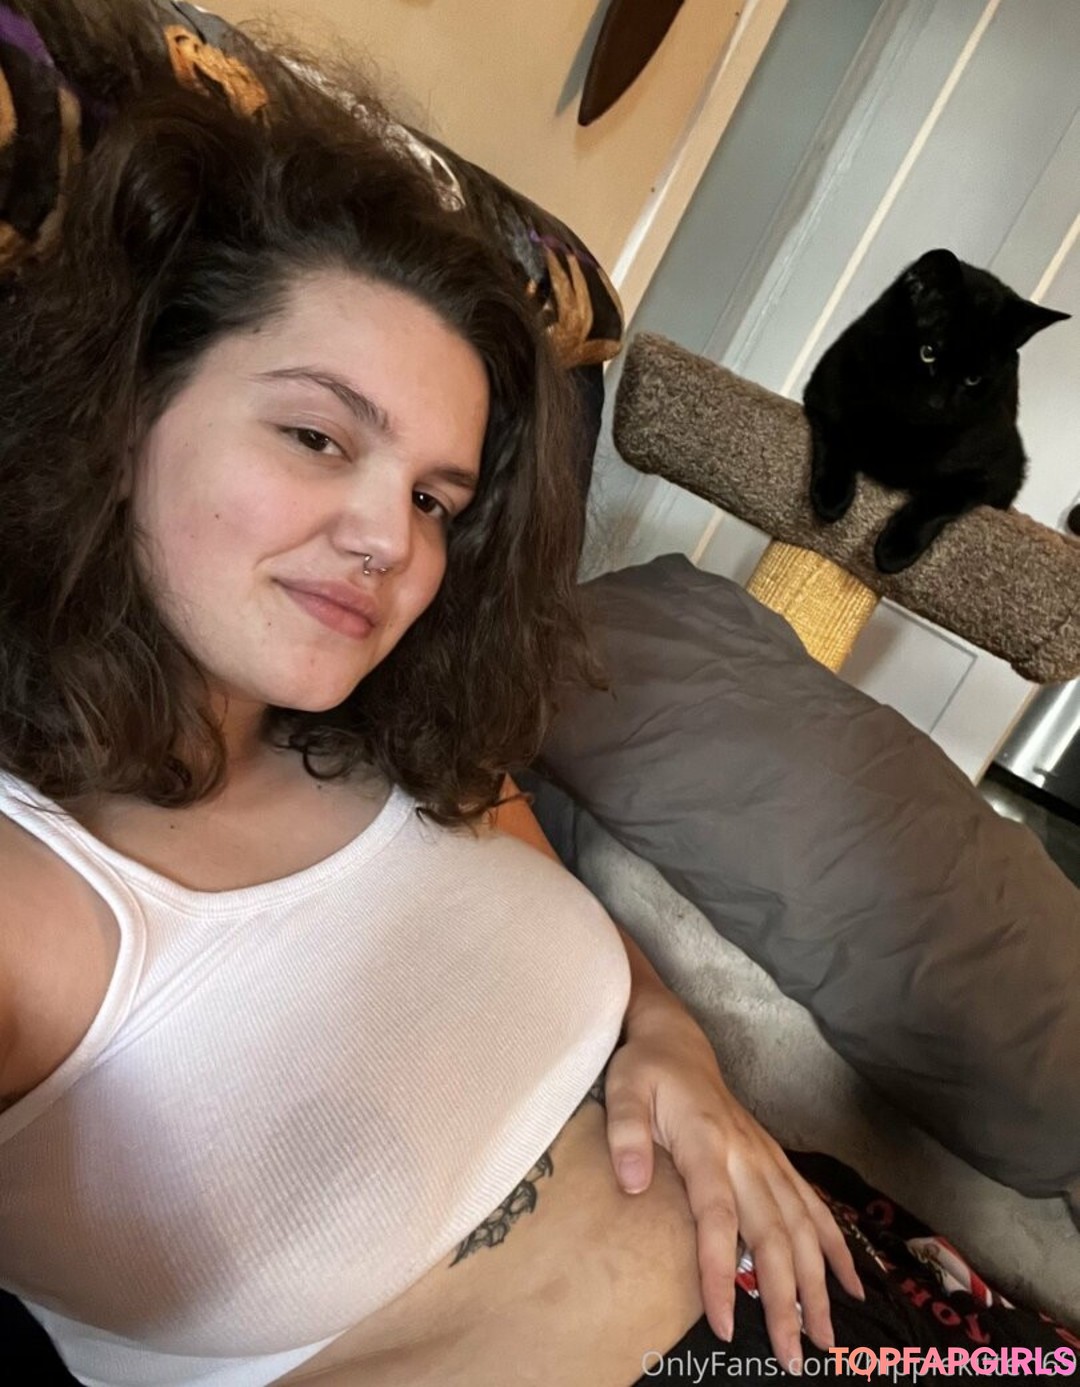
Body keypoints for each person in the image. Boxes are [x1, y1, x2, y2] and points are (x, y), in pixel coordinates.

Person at [0, 4, 1074, 1386]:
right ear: (120, 420)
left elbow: (582, 944)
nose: (390, 542)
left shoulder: (395, 742)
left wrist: (670, 1043)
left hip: (885, 1300)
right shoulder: (34, 900)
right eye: (317, 435)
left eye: (435, 500)